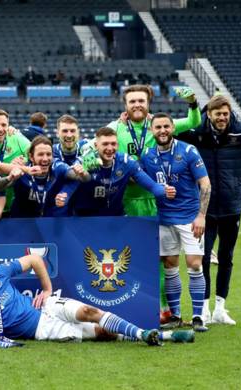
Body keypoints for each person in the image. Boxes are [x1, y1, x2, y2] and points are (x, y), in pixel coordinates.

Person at [108, 84, 201, 322]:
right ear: (125, 105)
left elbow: (192, 122)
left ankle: (163, 308)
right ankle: (135, 303)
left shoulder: (159, 126)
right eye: (132, 101)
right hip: (127, 202)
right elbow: (95, 143)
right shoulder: (115, 127)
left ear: (148, 103)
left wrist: (192, 103)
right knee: (130, 256)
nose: (137, 104)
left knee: (161, 260)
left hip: (159, 201)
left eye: (141, 100)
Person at [0, 254, 194, 344]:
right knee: (103, 333)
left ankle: (144, 334)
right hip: (41, 330)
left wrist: (46, 290)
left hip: (46, 305)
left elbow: (36, 260)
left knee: (89, 311)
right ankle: (164, 335)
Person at [178, 95, 241, 325]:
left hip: (232, 206)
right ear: (208, 114)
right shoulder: (195, 133)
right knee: (203, 258)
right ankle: (205, 307)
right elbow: (166, 131)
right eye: (217, 114)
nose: (222, 118)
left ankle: (221, 307)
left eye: (225, 114)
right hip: (204, 209)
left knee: (227, 257)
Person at [139, 113, 211, 332]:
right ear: (151, 131)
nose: (163, 130)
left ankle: (198, 316)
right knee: (170, 267)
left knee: (195, 265)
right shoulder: (148, 155)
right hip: (164, 219)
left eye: (166, 126)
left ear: (173, 128)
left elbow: (205, 184)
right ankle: (176, 315)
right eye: (158, 127)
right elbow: (136, 176)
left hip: (190, 219)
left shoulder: (188, 151)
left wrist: (201, 216)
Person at [69, 127, 175, 217]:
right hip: (86, 219)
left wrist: (163, 190)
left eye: (113, 144)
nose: (110, 148)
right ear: (96, 145)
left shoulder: (125, 161)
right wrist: (80, 173)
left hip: (116, 218)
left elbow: (151, 186)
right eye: (105, 144)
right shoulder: (87, 160)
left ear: (118, 145)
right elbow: (71, 174)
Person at [0, 136, 79, 217]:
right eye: (41, 154)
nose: (45, 159)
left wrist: (67, 191)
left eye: (48, 154)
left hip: (49, 223)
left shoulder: (58, 168)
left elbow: (77, 177)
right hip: (22, 224)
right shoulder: (22, 170)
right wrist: (9, 178)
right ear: (31, 157)